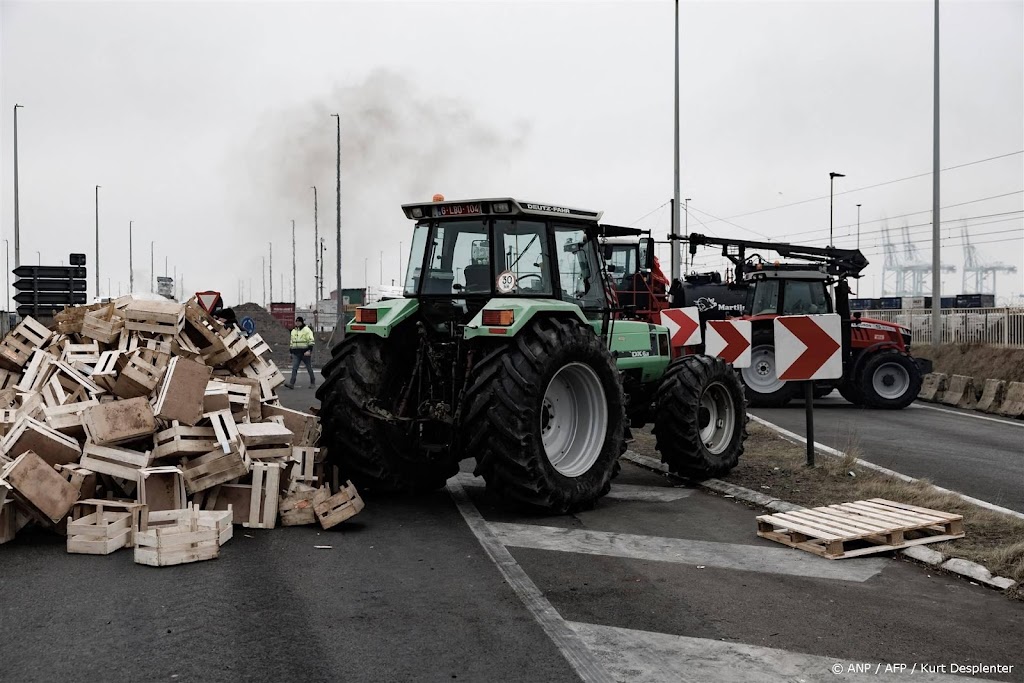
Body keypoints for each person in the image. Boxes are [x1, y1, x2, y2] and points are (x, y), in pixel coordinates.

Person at [284, 317, 316, 389]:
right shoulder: (294, 331)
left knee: (309, 368)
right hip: (296, 352)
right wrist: (291, 352)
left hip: (305, 352)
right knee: (294, 368)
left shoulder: (307, 330)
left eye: (299, 321)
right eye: (296, 321)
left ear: (302, 322)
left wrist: (309, 350)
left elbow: (311, 341)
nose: (297, 323)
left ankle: (312, 382)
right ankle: (291, 383)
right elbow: (292, 342)